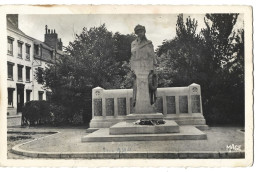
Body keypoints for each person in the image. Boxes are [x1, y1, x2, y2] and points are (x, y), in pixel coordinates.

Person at [131, 25, 158, 107]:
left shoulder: (149, 43)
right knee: (137, 85)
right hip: (137, 66)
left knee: (149, 85)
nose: (140, 33)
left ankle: (150, 103)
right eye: (138, 32)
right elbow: (133, 55)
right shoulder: (133, 43)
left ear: (144, 32)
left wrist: (154, 66)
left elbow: (153, 56)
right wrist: (132, 68)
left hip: (148, 66)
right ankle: (136, 102)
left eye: (141, 31)